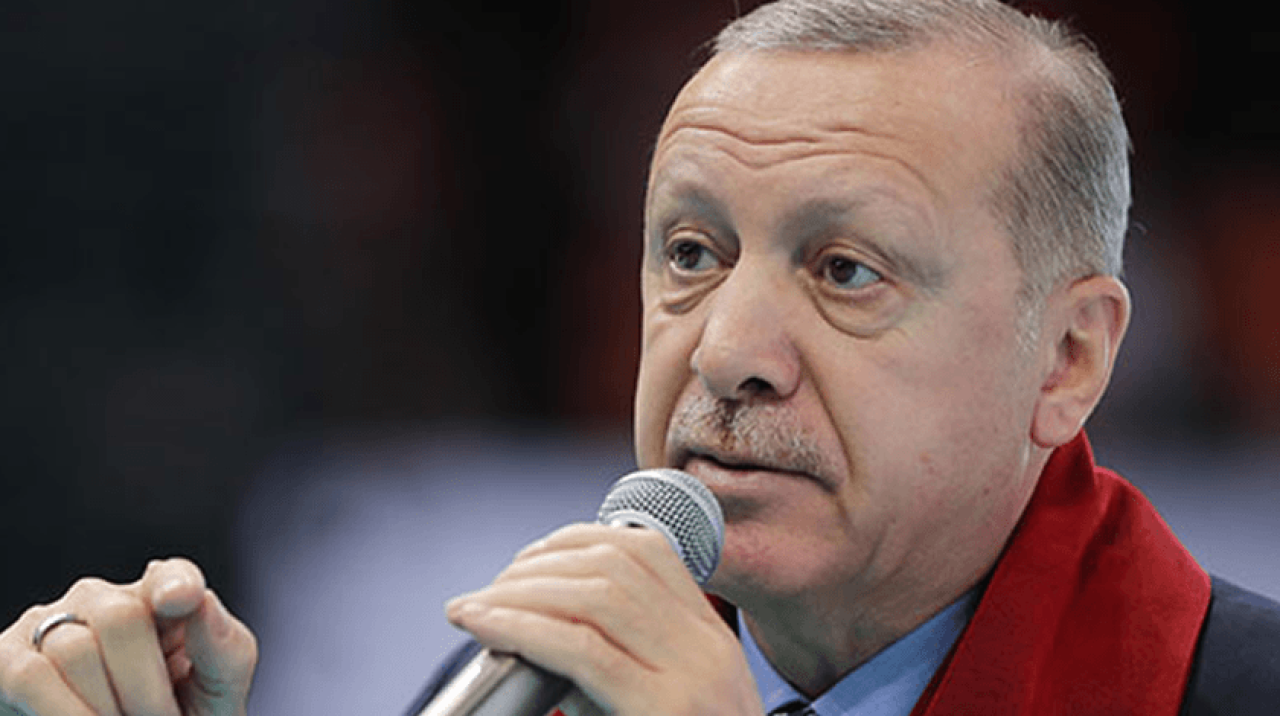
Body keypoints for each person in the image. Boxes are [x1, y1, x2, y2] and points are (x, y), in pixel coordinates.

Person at [2, 1, 1278, 715]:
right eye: (690, 251)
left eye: (845, 269)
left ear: (1065, 357)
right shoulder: (528, 688)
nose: (724, 350)